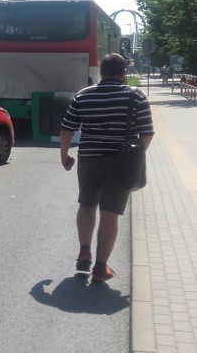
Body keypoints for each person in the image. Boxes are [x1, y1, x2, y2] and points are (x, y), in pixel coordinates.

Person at [59, 53, 154, 282]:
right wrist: (135, 156)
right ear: (124, 73)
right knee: (110, 215)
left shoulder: (84, 95)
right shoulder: (136, 97)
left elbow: (67, 129)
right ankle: (100, 268)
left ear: (101, 72)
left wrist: (64, 155)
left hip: (89, 159)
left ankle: (84, 251)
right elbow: (147, 133)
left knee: (87, 204)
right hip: (120, 162)